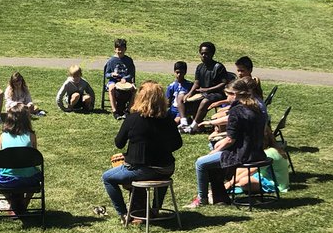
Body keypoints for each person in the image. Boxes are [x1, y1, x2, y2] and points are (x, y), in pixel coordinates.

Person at [101, 81, 182, 219]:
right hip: (166, 167)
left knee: (107, 178)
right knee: (160, 175)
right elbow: (178, 143)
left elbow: (119, 143)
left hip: (142, 168)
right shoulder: (167, 118)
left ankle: (124, 214)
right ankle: (156, 208)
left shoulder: (133, 118)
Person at [187, 79, 268, 207]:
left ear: (235, 95)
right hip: (258, 153)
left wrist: (215, 150)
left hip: (242, 155)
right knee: (213, 160)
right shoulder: (256, 106)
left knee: (201, 163)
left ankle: (201, 199)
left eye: (227, 94)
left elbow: (230, 139)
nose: (226, 97)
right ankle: (220, 197)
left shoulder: (237, 111)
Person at [0, 105, 41, 214]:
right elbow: (34, 157)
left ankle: (11, 202)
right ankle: (25, 203)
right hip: (29, 180)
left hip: (6, 180)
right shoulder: (31, 136)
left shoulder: (2, 136)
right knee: (38, 174)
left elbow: (0, 160)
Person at [176, 42, 228, 131]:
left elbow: (223, 84)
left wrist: (207, 89)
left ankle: (193, 126)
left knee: (205, 101)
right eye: (202, 53)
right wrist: (190, 93)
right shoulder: (200, 67)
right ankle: (184, 122)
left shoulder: (219, 67)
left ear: (212, 54)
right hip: (202, 92)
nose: (204, 55)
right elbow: (196, 83)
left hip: (217, 93)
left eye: (206, 53)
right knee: (181, 96)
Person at [103, 38, 137, 118]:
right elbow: (106, 74)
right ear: (115, 49)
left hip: (126, 81)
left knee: (134, 89)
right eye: (118, 50)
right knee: (111, 89)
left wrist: (125, 78)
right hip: (113, 81)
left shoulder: (128, 60)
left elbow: (131, 73)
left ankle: (128, 110)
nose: (120, 51)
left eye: (122, 49)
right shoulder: (111, 60)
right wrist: (112, 74)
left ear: (125, 49)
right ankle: (114, 111)